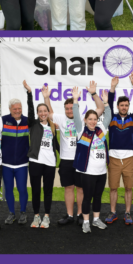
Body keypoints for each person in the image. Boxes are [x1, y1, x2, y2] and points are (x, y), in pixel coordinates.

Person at [43, 81, 105, 226]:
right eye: (67, 109)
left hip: (81, 160)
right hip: (65, 160)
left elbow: (101, 108)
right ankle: (70, 215)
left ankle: (80, 215)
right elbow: (49, 112)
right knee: (68, 187)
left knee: (80, 188)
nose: (69, 111)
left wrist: (93, 93)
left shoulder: (84, 119)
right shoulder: (60, 118)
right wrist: (47, 97)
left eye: (71, 108)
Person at [103, 74, 133, 225]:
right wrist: (112, 88)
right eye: (121, 105)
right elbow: (110, 101)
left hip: (128, 159)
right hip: (113, 159)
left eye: (126, 105)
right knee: (113, 188)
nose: (124, 107)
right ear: (118, 106)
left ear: (128, 106)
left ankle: (127, 213)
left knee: (128, 188)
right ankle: (113, 212)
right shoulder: (111, 118)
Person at [72, 86, 112, 233]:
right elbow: (76, 114)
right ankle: (86, 222)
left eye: (95, 119)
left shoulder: (101, 129)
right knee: (87, 197)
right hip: (87, 172)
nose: (93, 122)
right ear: (85, 120)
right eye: (90, 119)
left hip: (101, 172)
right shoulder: (81, 130)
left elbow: (108, 115)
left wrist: (106, 103)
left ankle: (96, 220)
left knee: (98, 197)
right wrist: (75, 100)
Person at [25, 82, 59, 228]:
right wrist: (29, 93)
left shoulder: (53, 126)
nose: (43, 113)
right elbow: (30, 110)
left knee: (48, 191)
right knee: (36, 190)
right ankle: (36, 216)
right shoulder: (33, 124)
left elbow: (55, 144)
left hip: (50, 163)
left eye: (45, 111)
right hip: (35, 161)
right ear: (38, 113)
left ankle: (46, 217)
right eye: (40, 111)